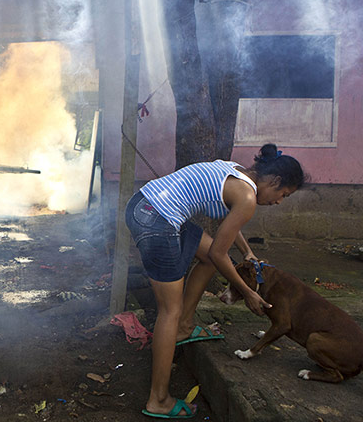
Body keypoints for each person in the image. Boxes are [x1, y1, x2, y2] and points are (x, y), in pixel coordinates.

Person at [125, 143, 306, 419]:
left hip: (143, 204)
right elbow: (221, 254)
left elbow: (229, 226)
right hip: (157, 219)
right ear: (276, 181)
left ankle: (185, 326)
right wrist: (247, 292)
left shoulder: (235, 170)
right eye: (284, 194)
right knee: (168, 310)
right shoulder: (247, 197)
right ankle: (158, 398)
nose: (280, 201)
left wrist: (247, 251)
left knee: (206, 257)